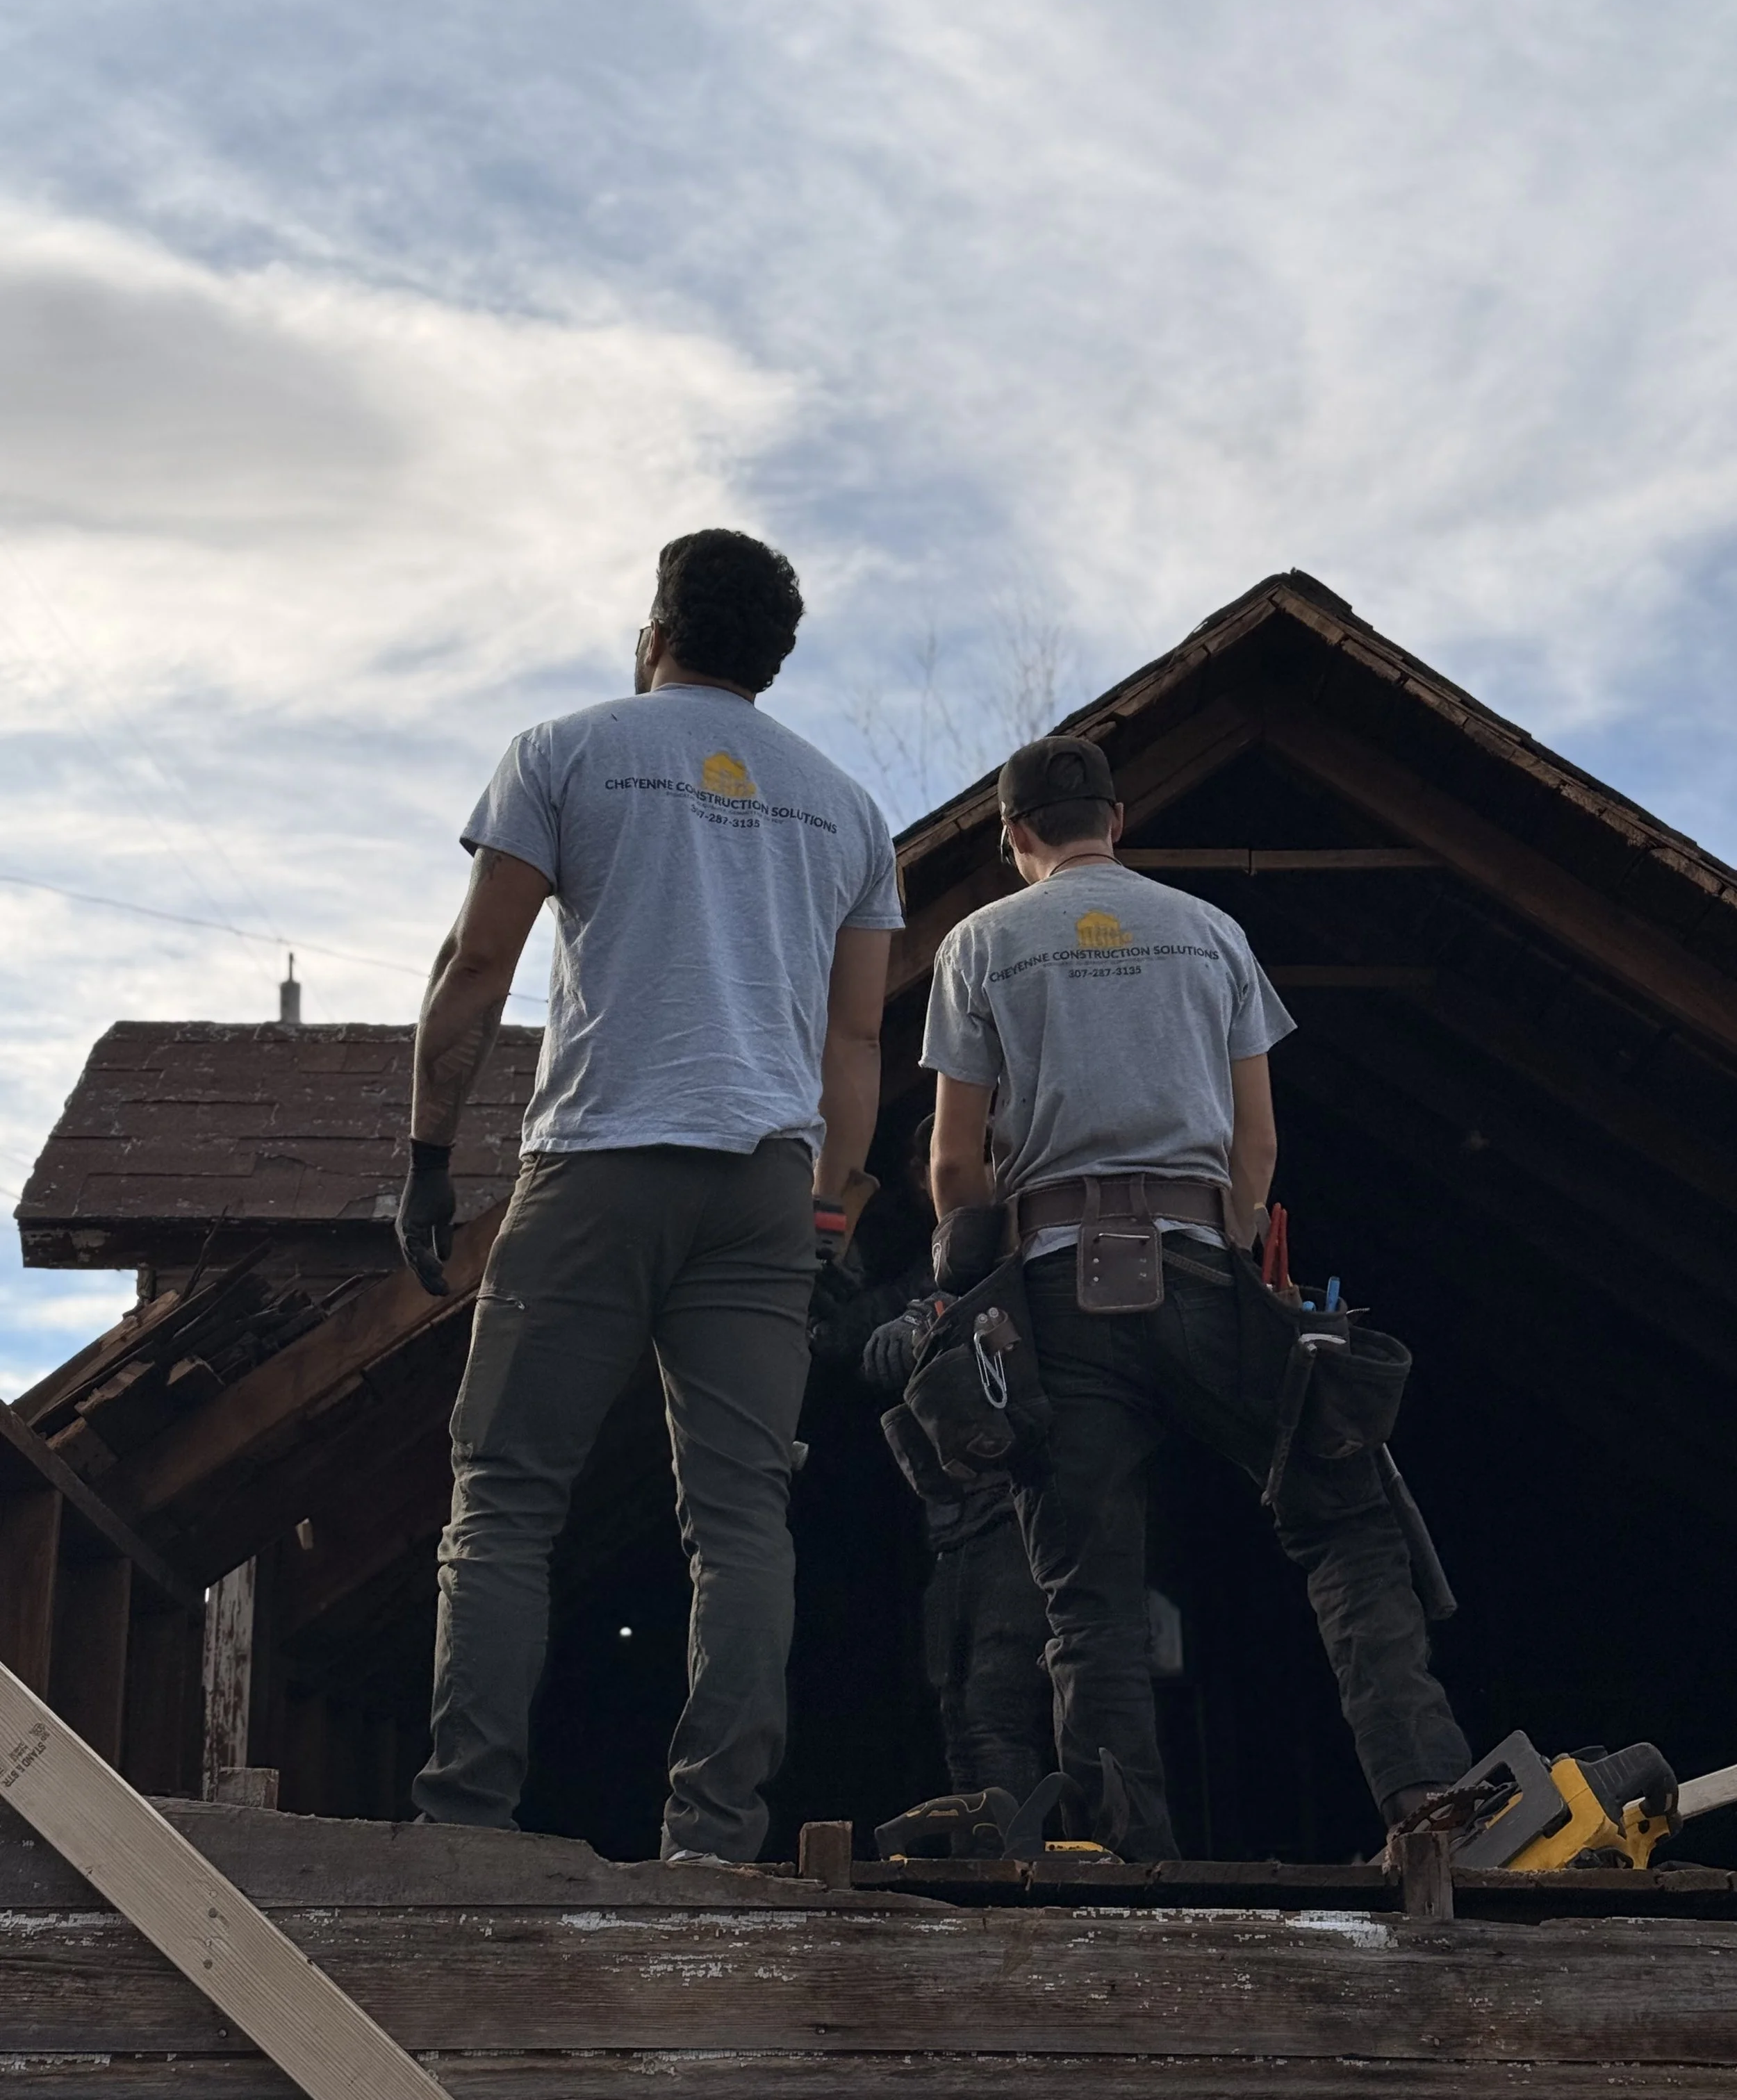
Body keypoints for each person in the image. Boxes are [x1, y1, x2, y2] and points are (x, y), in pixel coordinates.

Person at [397, 527, 903, 1859]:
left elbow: (474, 967)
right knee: (742, 1522)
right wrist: (835, 1210)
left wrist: (428, 1156)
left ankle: (465, 1823)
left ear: (655, 629)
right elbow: (855, 1044)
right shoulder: (846, 809)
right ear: (774, 662)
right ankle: (715, 1836)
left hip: (600, 1165)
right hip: (763, 1188)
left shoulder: (566, 750)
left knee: (505, 1492)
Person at [921, 733, 1469, 1860]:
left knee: (1088, 1596)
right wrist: (1224, 1267)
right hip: (1197, 1262)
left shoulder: (982, 943)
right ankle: (1425, 1793)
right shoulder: (1213, 933)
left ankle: (1126, 1854)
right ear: (1116, 820)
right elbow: (1256, 1141)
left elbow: (955, 1167)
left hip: (1056, 1281)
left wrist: (967, 1283)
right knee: (1346, 1513)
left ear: (1018, 836)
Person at [809, 1116, 1052, 1806]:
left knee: (1000, 1710)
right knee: (960, 1708)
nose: (937, 1176)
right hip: (958, 1521)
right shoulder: (933, 1263)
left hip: (1028, 1510)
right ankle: (998, 1874)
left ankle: (1032, 1881)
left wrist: (933, 1319)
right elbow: (845, 1336)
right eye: (928, 1163)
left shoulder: (1035, 1247)